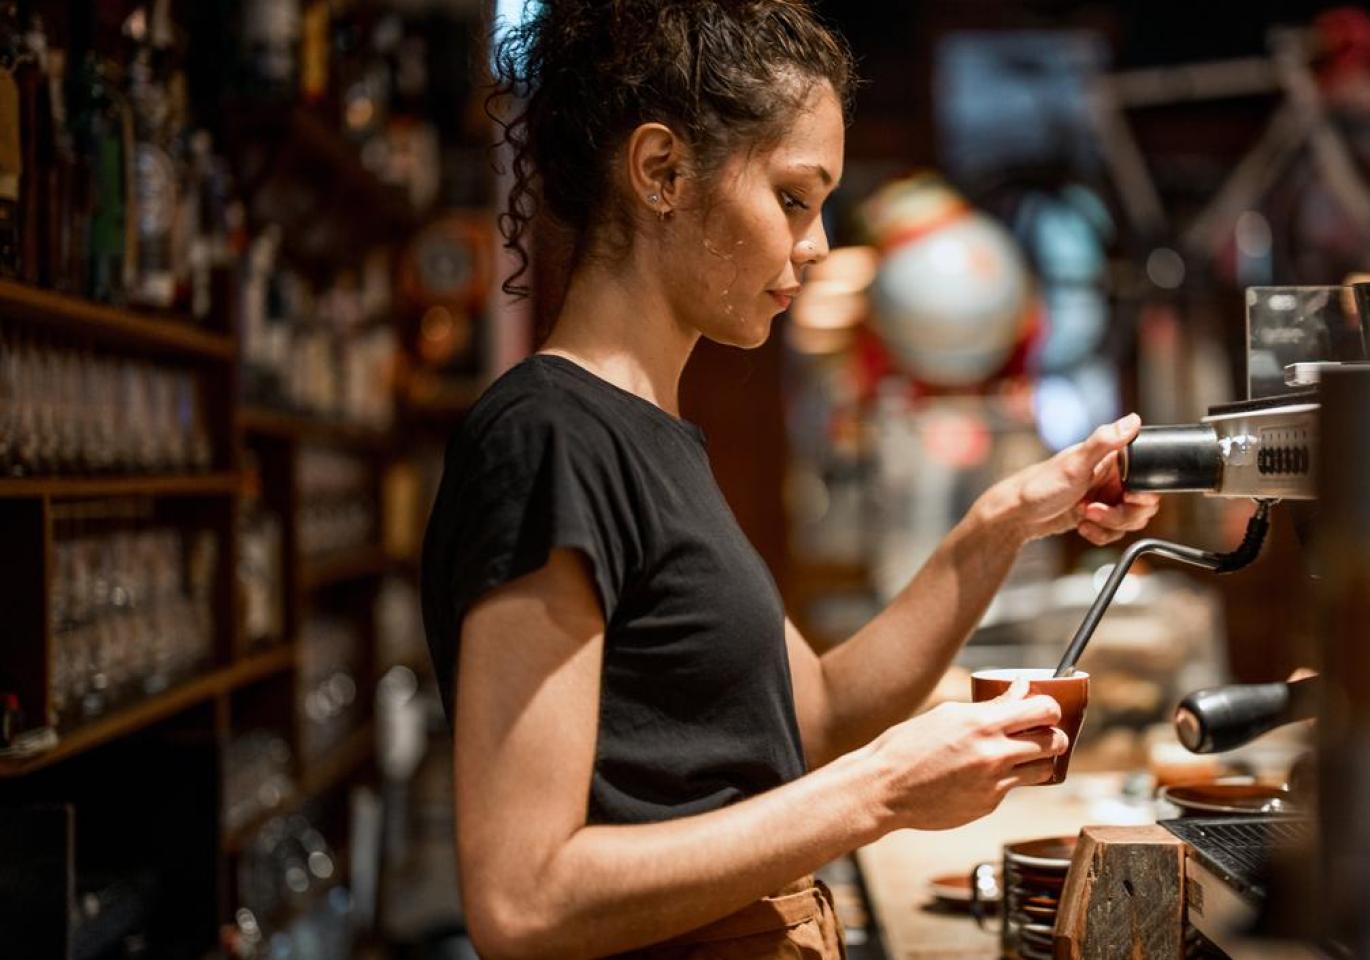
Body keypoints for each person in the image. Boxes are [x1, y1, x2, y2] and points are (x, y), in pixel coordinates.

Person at [419, 2, 1162, 957]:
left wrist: (1006, 520)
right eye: (794, 198)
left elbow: (814, 715)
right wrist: (883, 792)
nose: (814, 246)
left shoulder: (654, 438)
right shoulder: (549, 437)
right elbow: (525, 900)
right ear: (662, 173)